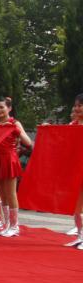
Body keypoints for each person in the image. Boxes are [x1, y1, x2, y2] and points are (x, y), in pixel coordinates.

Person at [0, 97, 33, 237]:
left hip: (9, 159)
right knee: (2, 194)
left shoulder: (15, 123)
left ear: (9, 108)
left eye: (2, 107)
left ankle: (14, 226)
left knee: (11, 193)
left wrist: (15, 130)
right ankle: (6, 224)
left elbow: (28, 142)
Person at [62, 93, 83, 249]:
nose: (76, 108)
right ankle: (80, 235)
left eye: (80, 105)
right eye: (75, 105)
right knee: (77, 204)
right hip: (76, 168)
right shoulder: (73, 125)